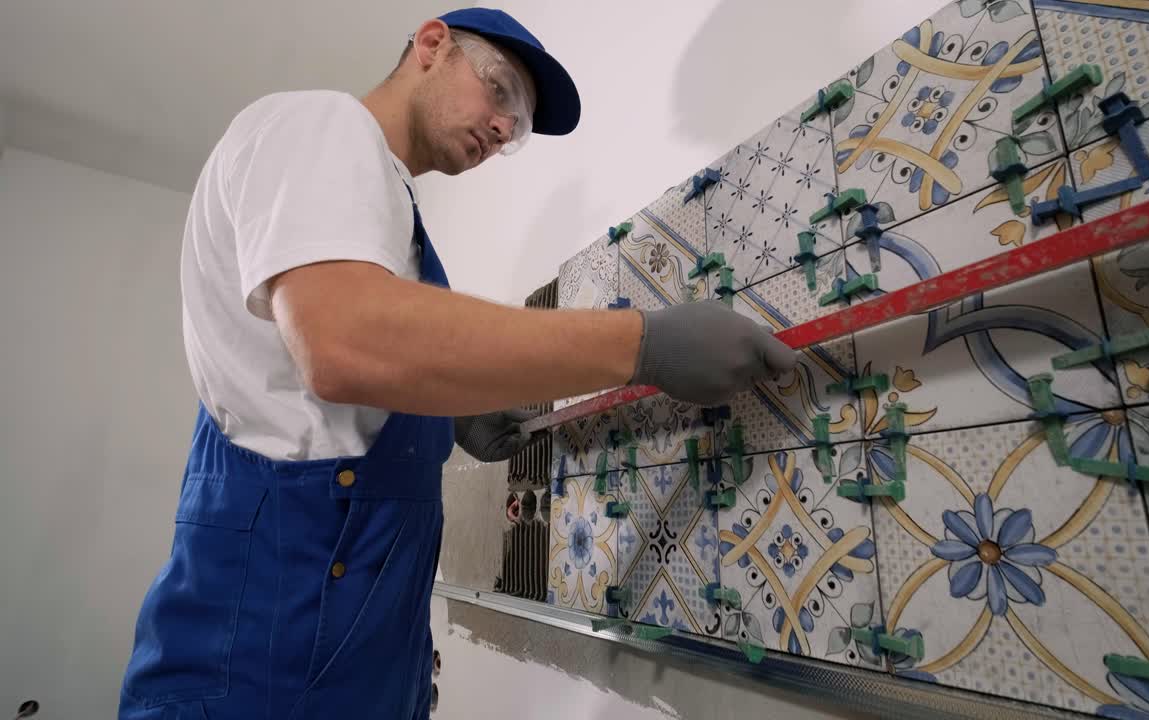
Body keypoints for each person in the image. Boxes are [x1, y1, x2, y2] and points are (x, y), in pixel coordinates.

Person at [118, 7, 795, 719]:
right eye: (500, 91)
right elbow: (346, 341)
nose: (504, 130)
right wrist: (642, 345)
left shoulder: (383, 220)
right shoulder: (317, 124)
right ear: (432, 45)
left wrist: (446, 405)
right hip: (262, 671)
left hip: (362, 672)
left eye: (518, 128)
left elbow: (334, 380)